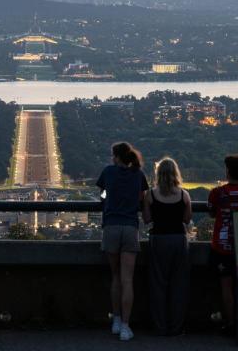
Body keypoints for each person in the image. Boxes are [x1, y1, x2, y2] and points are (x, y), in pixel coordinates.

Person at [96, 142, 149, 341]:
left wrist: (107, 200)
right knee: (128, 279)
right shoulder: (139, 174)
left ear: (116, 157)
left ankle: (116, 320)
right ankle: (126, 326)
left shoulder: (108, 172)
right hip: (130, 227)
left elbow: (101, 194)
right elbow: (141, 199)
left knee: (116, 276)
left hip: (111, 225)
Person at [207, 154, 238, 335]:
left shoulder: (217, 193)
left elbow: (212, 214)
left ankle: (231, 323)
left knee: (226, 287)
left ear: (227, 171)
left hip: (222, 246)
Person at [142, 157, 192, 336]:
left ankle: (160, 327)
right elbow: (186, 220)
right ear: (175, 173)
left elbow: (147, 220)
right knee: (179, 285)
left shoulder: (151, 195)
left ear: (158, 173)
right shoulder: (184, 195)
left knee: (158, 284)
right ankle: (176, 327)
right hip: (178, 239)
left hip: (158, 239)